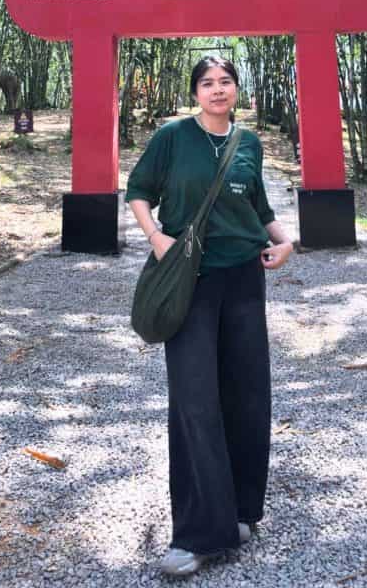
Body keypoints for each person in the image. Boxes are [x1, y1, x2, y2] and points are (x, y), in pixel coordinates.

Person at [126, 56, 294, 577]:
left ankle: (241, 509)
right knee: (195, 399)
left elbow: (259, 207)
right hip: (191, 280)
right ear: (195, 92)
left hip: (245, 276)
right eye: (207, 83)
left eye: (225, 82)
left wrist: (284, 240)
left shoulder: (248, 143)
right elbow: (137, 192)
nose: (217, 90)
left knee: (246, 393)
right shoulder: (172, 137)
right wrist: (156, 239)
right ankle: (199, 533)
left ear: (237, 90)